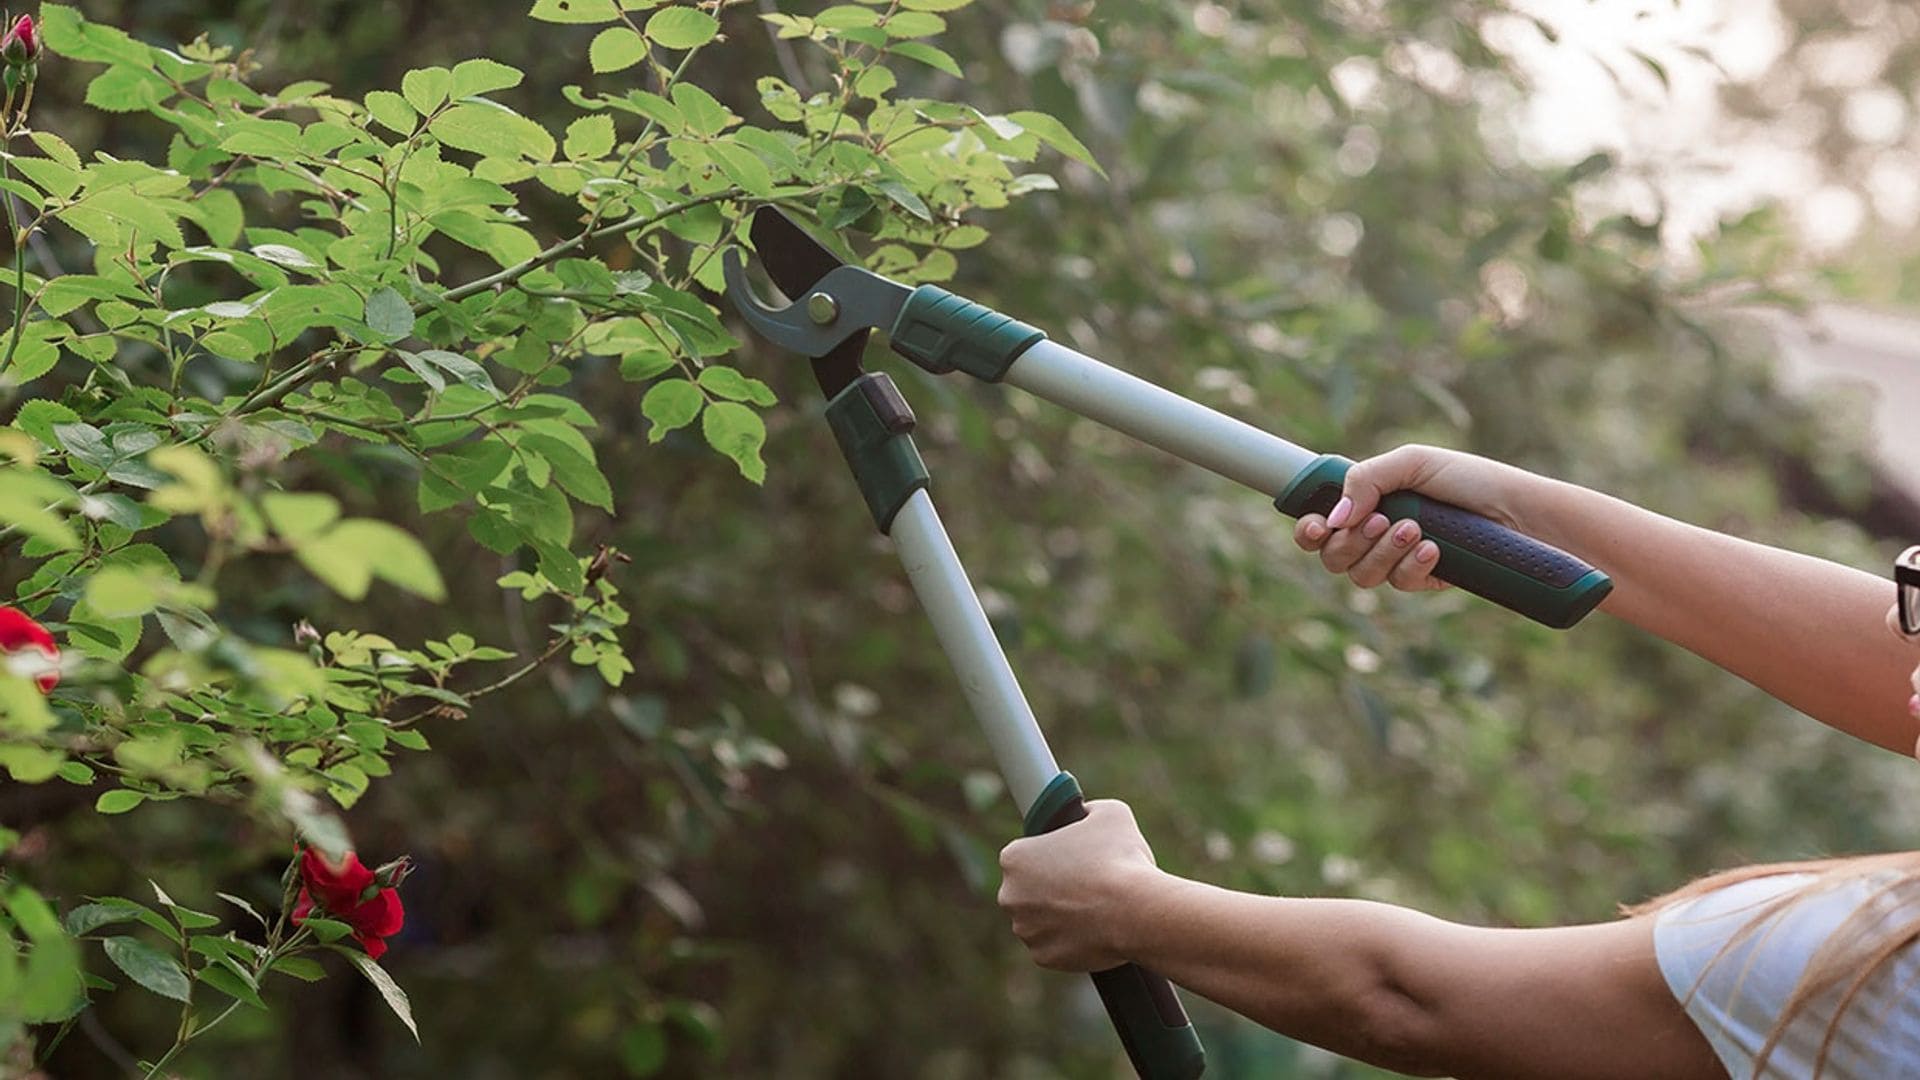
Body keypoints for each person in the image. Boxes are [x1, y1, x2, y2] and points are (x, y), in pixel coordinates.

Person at [996, 444, 1920, 1079]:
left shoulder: (1863, 971)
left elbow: (1404, 999)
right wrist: (1514, 511)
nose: (1897, 616)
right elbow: (1891, 658)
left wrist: (1128, 906)